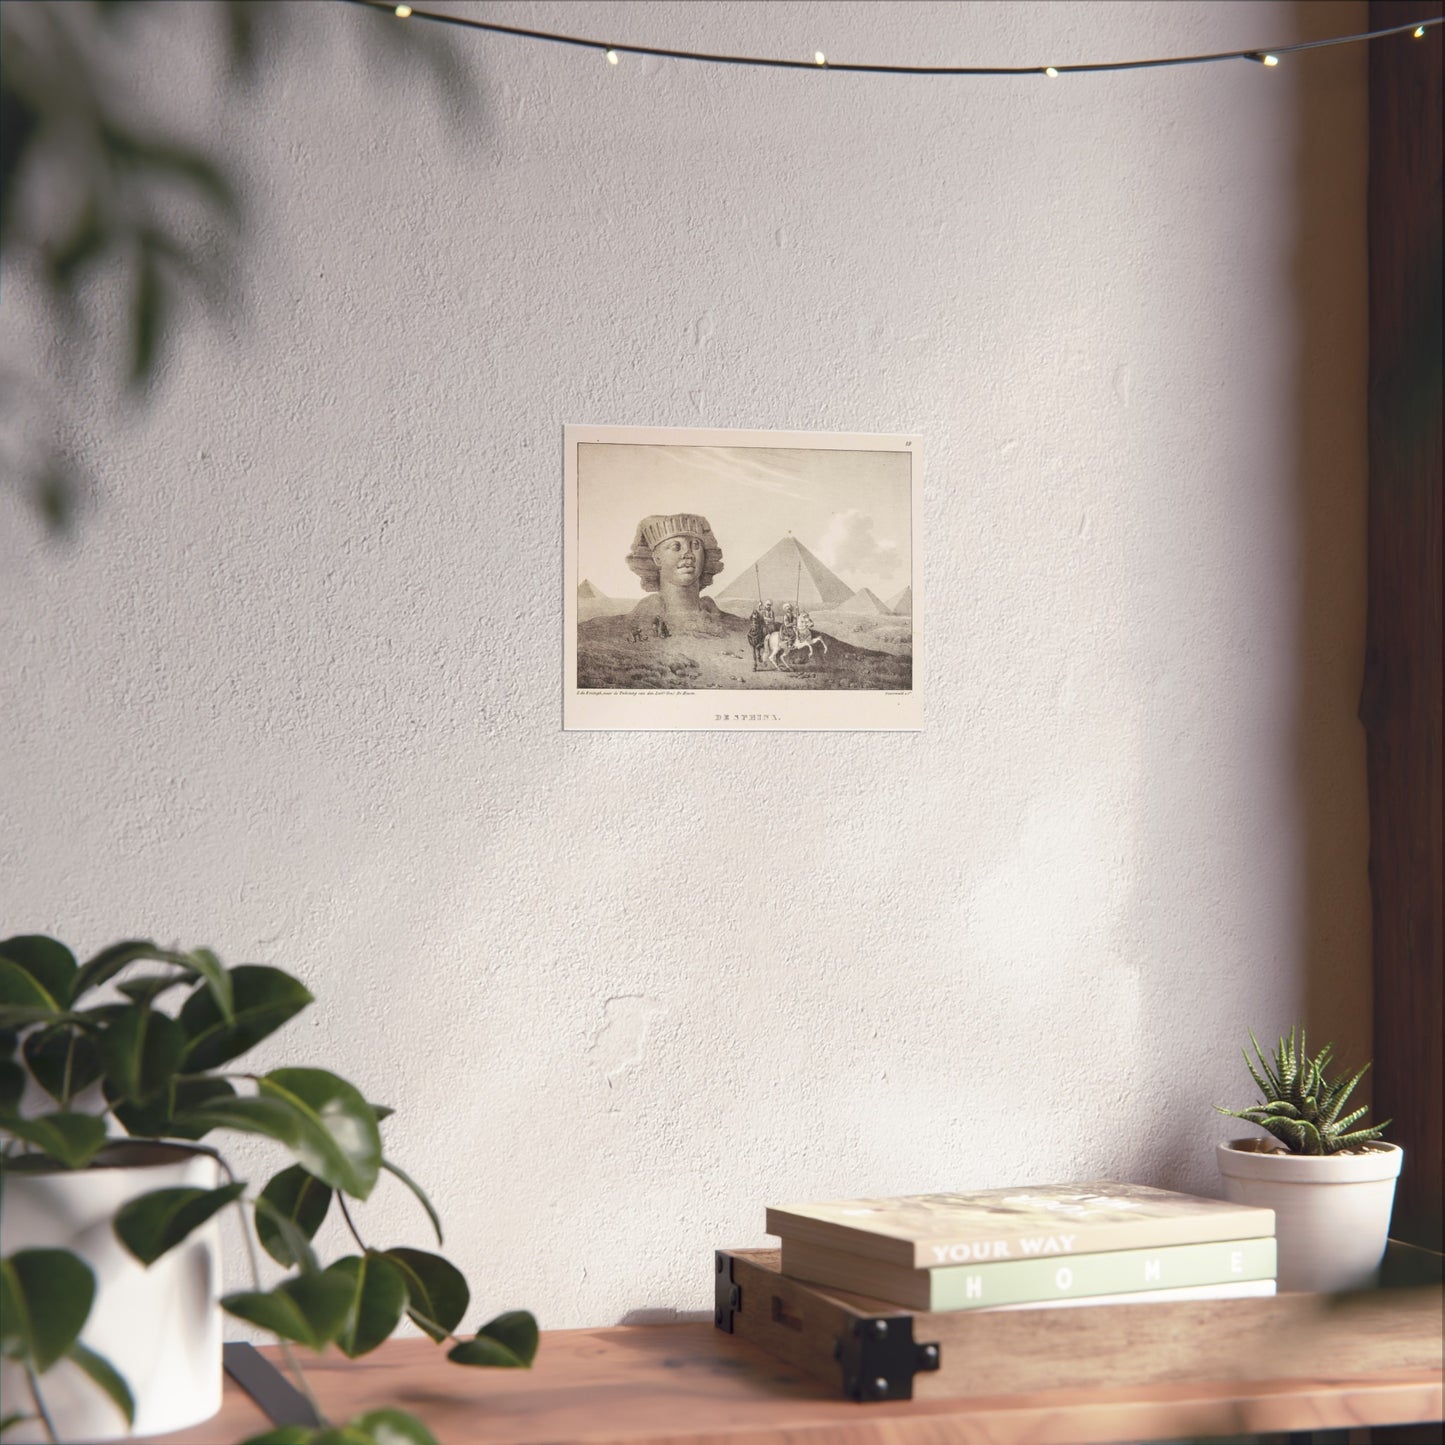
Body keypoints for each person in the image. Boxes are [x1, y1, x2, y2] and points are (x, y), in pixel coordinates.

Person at [625, 513, 725, 634]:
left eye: (695, 545)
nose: (689, 554)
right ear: (657, 559)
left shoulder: (736, 624)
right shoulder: (634, 623)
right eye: (676, 547)